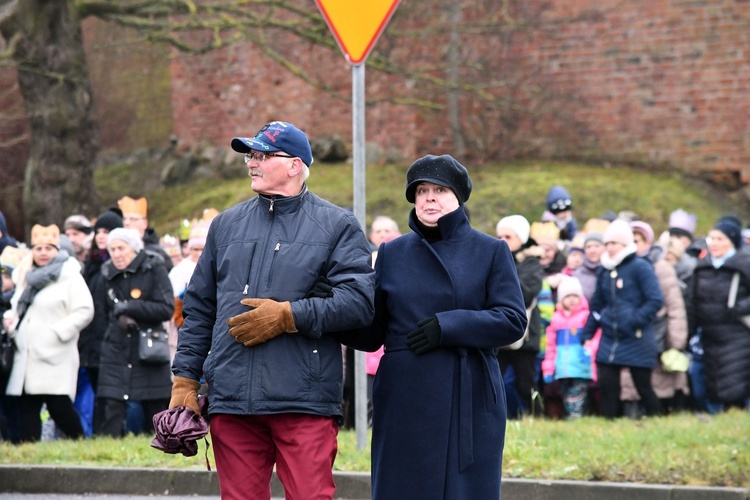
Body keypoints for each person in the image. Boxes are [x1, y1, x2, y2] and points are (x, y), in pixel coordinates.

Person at [169, 121, 375, 500]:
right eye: (250, 154)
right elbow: (199, 309)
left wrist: (289, 316)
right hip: (231, 399)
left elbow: (359, 304)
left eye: (262, 155)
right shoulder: (225, 224)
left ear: (295, 165)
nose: (252, 162)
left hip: (304, 399)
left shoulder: (338, 225)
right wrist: (184, 381)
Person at [341, 154, 525, 499]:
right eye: (421, 190)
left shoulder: (490, 251)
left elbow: (512, 319)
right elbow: (373, 331)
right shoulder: (392, 253)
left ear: (458, 197)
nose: (429, 197)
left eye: (439, 189)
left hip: (468, 393)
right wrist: (335, 311)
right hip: (404, 396)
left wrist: (449, 325)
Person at [2, 224, 94, 443]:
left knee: (59, 405)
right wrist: (12, 323)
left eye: (48, 248)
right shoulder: (27, 276)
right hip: (27, 354)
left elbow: (85, 310)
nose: (43, 253)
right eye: (39, 248)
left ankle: (80, 444)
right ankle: (30, 451)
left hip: (55, 353)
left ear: (57, 251)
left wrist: (58, 332)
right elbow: (19, 306)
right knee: (27, 406)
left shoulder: (70, 276)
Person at [94, 228, 174, 437]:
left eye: (121, 248)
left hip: (148, 347)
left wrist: (130, 307)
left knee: (155, 408)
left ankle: (162, 448)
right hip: (116, 346)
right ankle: (109, 454)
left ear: (134, 248)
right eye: (112, 249)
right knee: (112, 404)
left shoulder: (154, 268)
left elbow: (166, 309)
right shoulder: (106, 273)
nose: (116, 254)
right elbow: (100, 312)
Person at [580, 219, 664, 419]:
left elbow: (655, 299)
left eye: (614, 244)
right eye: (607, 244)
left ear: (625, 244)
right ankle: (611, 425)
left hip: (637, 337)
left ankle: (658, 420)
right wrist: (588, 333)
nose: (609, 248)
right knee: (607, 386)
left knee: (643, 386)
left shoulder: (640, 266)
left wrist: (634, 321)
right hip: (610, 338)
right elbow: (597, 306)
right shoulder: (604, 270)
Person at [620, 221, 689, 416]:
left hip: (658, 335)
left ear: (647, 242)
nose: (634, 245)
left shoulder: (661, 267)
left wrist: (676, 341)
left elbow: (675, 307)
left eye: (638, 240)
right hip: (630, 333)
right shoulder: (622, 267)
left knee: (659, 385)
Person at [687, 219, 750, 411]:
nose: (714, 243)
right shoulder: (702, 267)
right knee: (712, 379)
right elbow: (692, 303)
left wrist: (740, 307)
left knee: (735, 379)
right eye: (711, 238)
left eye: (720, 239)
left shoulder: (744, 264)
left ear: (731, 241)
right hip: (709, 334)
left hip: (737, 334)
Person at [495, 214, 545, 418]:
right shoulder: (495, 259)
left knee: (525, 383)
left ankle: (538, 417)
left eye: (508, 236)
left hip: (524, 333)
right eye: (499, 237)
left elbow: (525, 294)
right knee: (493, 379)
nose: (502, 242)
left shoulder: (532, 263)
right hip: (499, 330)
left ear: (521, 238)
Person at [79, 209, 123, 433]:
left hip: (109, 336)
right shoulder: (91, 264)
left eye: (107, 231)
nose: (101, 236)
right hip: (90, 337)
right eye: (98, 231)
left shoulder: (117, 265)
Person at [542, 276, 598, 419]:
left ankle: (575, 416)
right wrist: (548, 369)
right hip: (563, 367)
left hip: (581, 365)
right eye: (568, 296)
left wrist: (589, 351)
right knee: (566, 393)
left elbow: (596, 336)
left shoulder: (586, 316)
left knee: (577, 393)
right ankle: (574, 415)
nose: (572, 299)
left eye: (575, 296)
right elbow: (550, 347)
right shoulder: (556, 319)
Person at [117, 196, 173, 271]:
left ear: (144, 224)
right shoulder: (116, 252)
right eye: (124, 219)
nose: (127, 223)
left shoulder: (157, 252)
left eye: (133, 219)